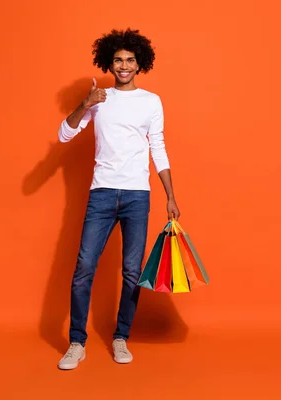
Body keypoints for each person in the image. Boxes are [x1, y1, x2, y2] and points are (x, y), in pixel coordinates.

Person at [56, 28, 180, 370]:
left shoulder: (151, 102)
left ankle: (121, 336)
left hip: (137, 196)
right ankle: (77, 343)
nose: (123, 66)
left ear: (139, 64)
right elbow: (64, 135)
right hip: (102, 193)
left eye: (129, 60)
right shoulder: (100, 100)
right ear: (109, 64)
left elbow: (159, 147)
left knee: (130, 271)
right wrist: (85, 104)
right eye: (117, 60)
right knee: (84, 268)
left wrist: (171, 195)